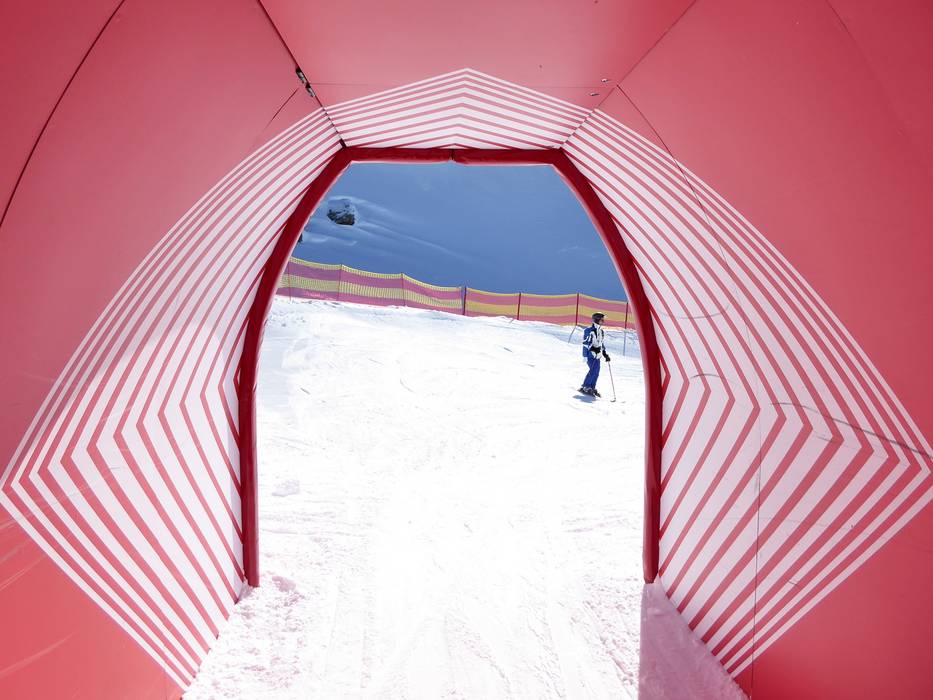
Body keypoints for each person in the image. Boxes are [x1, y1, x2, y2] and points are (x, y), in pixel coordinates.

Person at [580, 312, 611, 397]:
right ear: (597, 320)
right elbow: (586, 344)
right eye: (601, 320)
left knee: (596, 372)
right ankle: (585, 386)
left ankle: (592, 387)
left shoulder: (601, 331)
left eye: (603, 320)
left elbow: (601, 344)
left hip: (598, 356)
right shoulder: (589, 330)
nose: (603, 321)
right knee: (593, 371)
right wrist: (585, 355)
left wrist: (605, 354)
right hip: (590, 355)